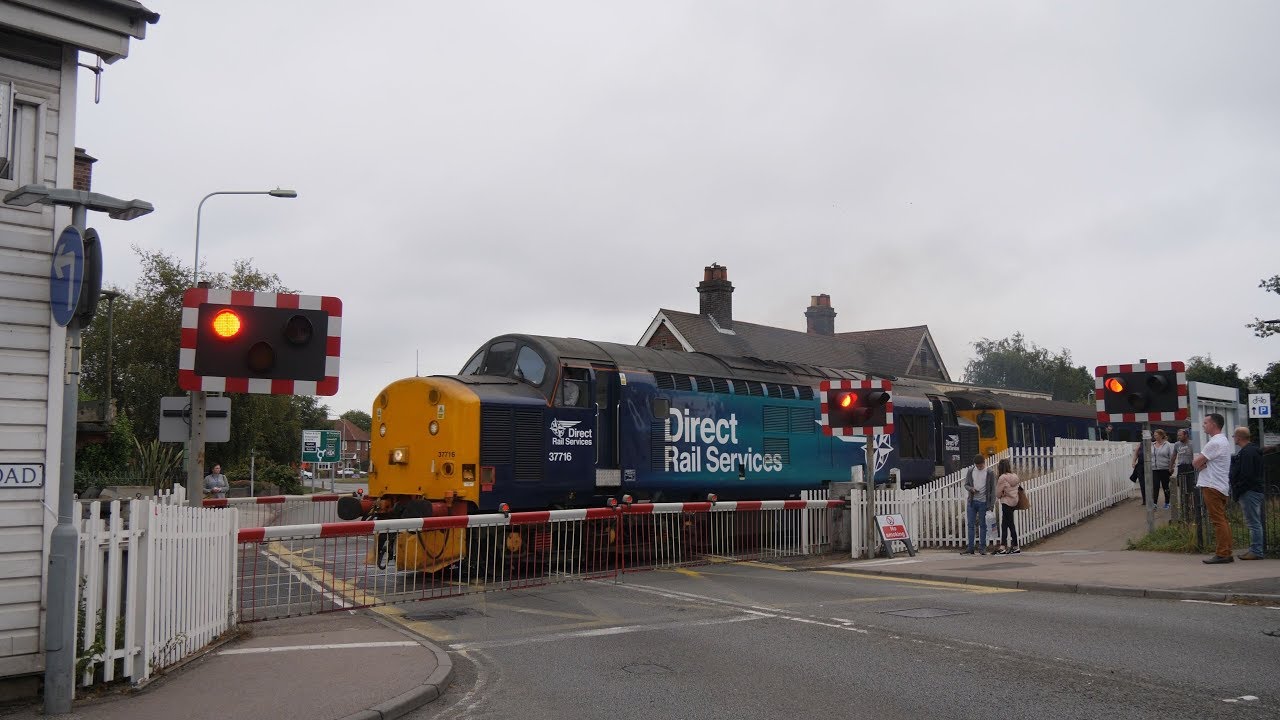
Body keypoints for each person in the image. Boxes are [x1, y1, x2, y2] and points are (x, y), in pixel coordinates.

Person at [1192, 413, 1233, 564]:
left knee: (1218, 520)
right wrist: (1202, 463)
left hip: (1212, 485)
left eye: (1205, 423)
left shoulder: (1214, 443)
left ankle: (1223, 553)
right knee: (1222, 519)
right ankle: (1226, 550)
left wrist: (1200, 464)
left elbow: (1196, 463)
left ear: (1213, 425)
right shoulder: (1224, 441)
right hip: (1220, 485)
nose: (1203, 425)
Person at [1228, 427, 1264, 561]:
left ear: (1238, 437)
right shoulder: (1253, 450)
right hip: (1254, 490)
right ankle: (1256, 549)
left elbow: (1246, 474)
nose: (1234, 439)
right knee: (1255, 521)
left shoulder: (1247, 452)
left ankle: (1256, 551)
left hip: (1249, 491)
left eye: (1234, 436)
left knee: (1253, 522)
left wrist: (1238, 488)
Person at [961, 454, 996, 556]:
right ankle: (970, 548)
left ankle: (982, 548)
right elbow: (966, 484)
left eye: (981, 466)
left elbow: (993, 490)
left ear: (984, 463)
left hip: (984, 502)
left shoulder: (990, 472)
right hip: (972, 501)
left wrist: (991, 505)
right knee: (970, 525)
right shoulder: (971, 471)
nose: (979, 467)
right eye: (977, 466)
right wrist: (971, 489)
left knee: (983, 526)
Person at [994, 458, 1022, 554]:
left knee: (1010, 524)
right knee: (1005, 524)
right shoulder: (1014, 476)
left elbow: (997, 494)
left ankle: (1013, 546)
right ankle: (1004, 545)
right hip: (1014, 502)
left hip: (1006, 503)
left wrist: (1002, 494)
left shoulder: (1002, 478)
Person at [1149, 429, 1175, 509]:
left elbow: (1171, 456)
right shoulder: (1152, 445)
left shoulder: (1168, 445)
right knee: (1155, 486)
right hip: (1154, 469)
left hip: (1165, 469)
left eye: (1156, 435)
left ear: (1161, 435)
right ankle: (1154, 503)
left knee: (1165, 486)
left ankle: (1167, 502)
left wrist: (1171, 467)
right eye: (1154, 435)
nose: (1154, 436)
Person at [1172, 429, 1195, 506]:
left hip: (1190, 467)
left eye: (1180, 435)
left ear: (1186, 435)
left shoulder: (1192, 444)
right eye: (1178, 435)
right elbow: (1174, 455)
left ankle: (1191, 503)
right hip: (1181, 467)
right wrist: (1171, 465)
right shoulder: (1177, 444)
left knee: (1190, 486)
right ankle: (1183, 503)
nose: (1178, 437)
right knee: (1181, 485)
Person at [1129, 440, 1146, 505]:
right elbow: (1136, 453)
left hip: (1150, 467)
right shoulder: (1140, 444)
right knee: (1142, 483)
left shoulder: (1153, 443)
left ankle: (1151, 499)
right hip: (1140, 466)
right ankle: (1144, 500)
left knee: (1150, 483)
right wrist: (1133, 462)